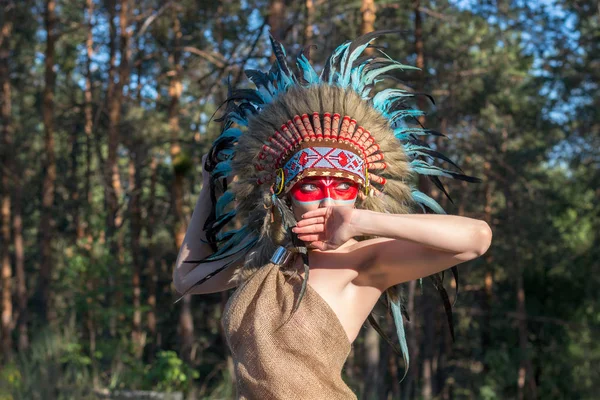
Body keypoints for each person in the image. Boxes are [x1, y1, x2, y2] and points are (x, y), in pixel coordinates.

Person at [173, 32, 492, 399]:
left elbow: (477, 238)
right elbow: (187, 278)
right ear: (282, 193)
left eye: (343, 188)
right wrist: (208, 189)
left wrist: (359, 223)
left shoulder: (362, 262)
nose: (329, 202)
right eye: (310, 187)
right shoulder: (265, 262)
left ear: (362, 194)